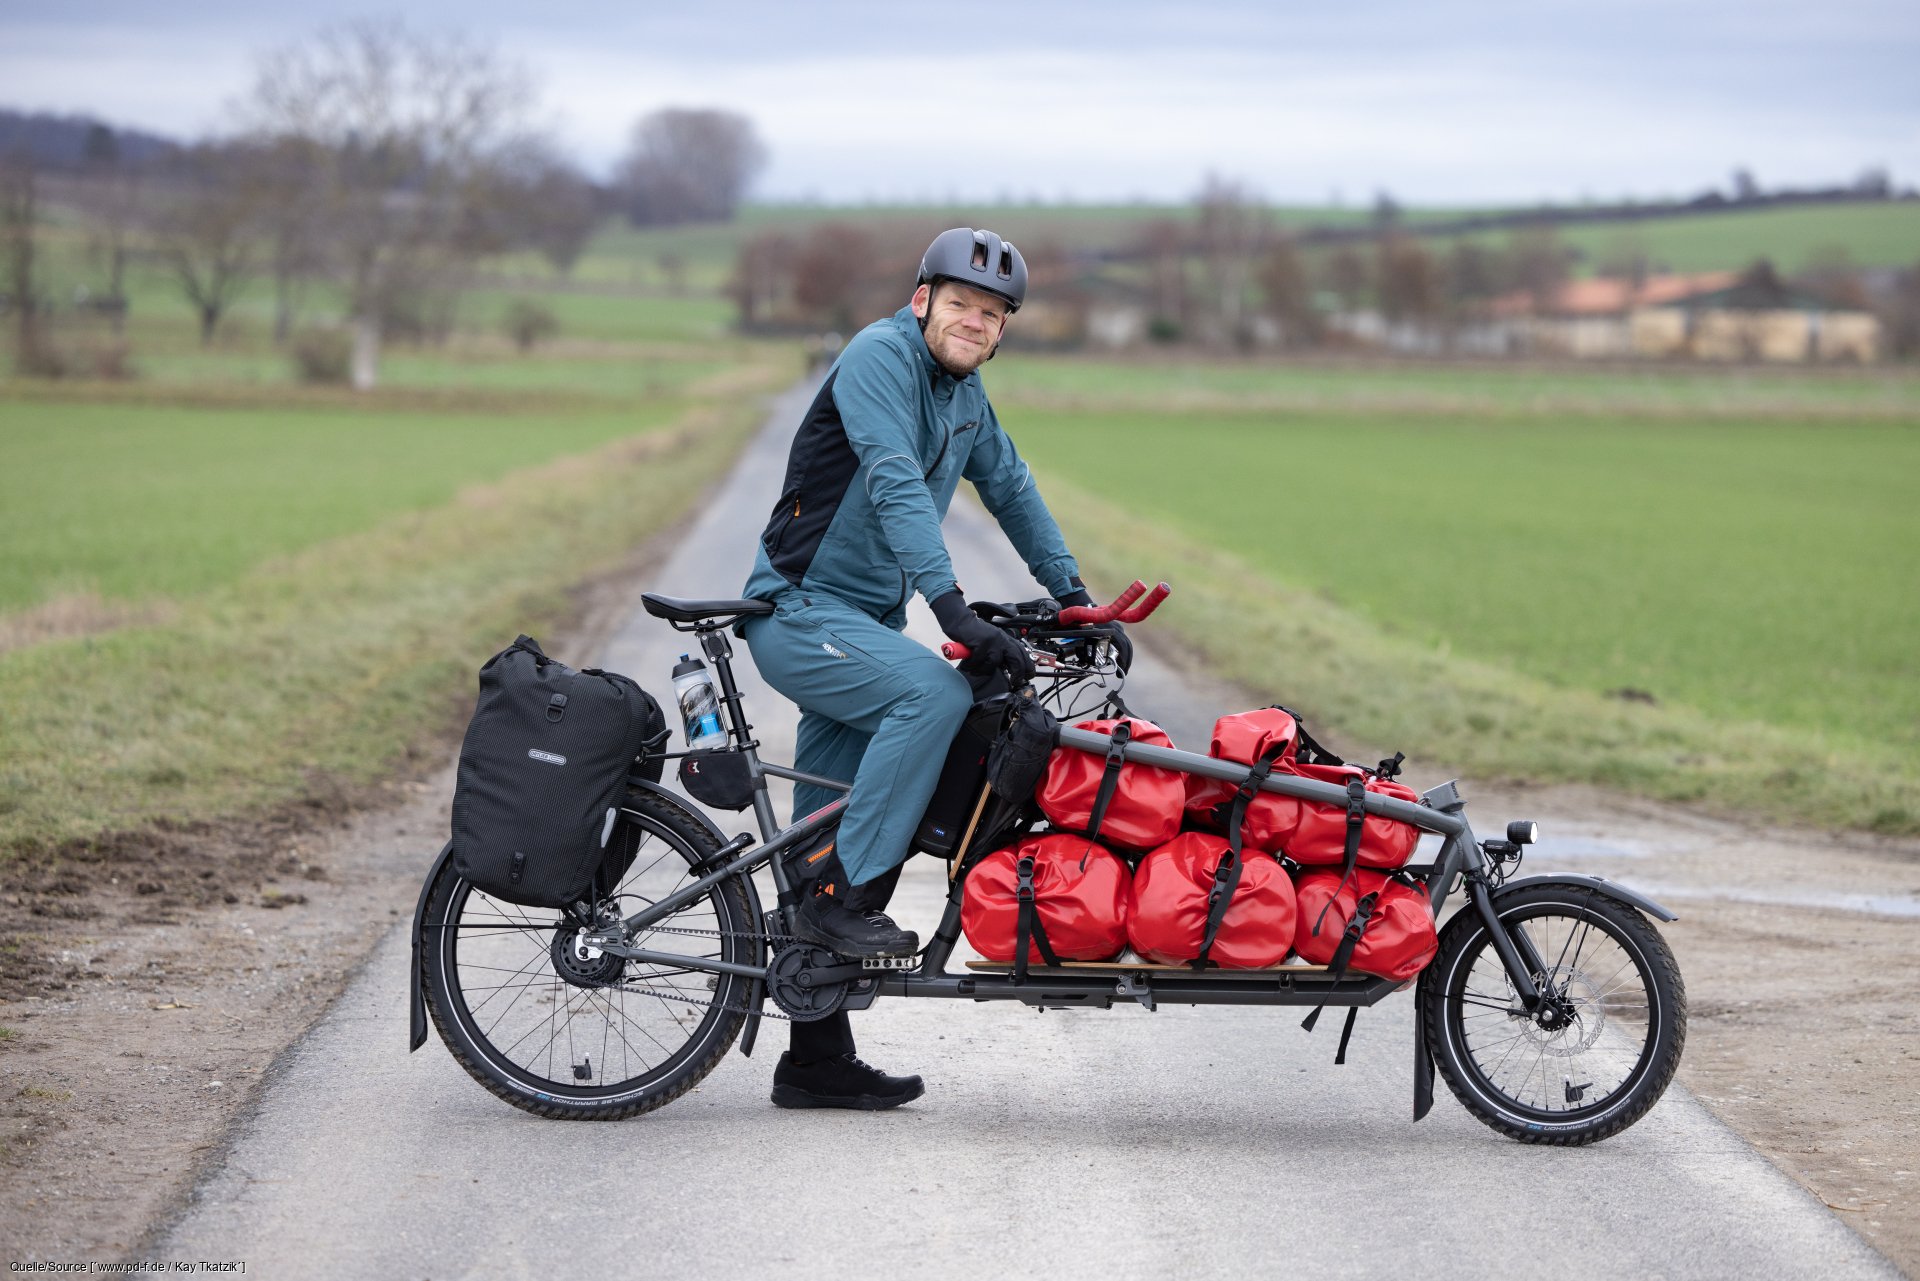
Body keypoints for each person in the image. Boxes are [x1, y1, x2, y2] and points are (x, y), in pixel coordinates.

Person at [739, 227, 1126, 1111]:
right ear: (922, 302)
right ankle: (850, 901)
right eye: (959, 303)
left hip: (858, 623)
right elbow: (891, 478)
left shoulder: (967, 396)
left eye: (990, 315)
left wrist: (1075, 598)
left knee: (819, 836)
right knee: (936, 689)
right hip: (797, 613)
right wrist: (948, 604)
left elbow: (1012, 487)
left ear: (999, 333)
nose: (973, 322)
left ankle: (814, 1059)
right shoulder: (879, 358)